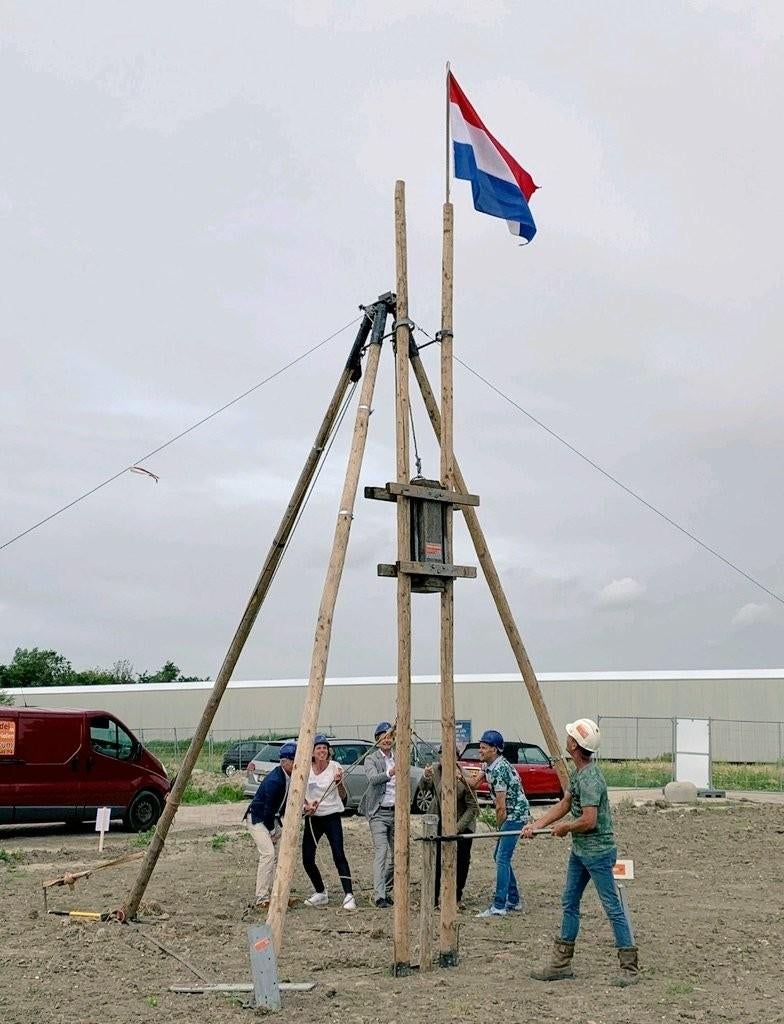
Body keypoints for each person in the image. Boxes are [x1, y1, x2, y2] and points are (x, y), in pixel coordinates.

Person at [523, 718, 639, 986]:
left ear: (574, 745)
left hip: (598, 853)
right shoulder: (578, 774)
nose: (567, 739)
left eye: (570, 737)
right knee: (569, 902)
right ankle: (561, 964)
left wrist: (565, 828)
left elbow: (589, 820)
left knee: (612, 907)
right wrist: (537, 824)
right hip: (581, 851)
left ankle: (629, 967)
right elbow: (565, 803)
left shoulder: (590, 780)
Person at [467, 729, 530, 918]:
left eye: (484, 748)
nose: (480, 750)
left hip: (514, 815)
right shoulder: (489, 766)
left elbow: (501, 806)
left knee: (502, 858)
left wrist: (499, 828)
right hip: (510, 815)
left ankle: (499, 905)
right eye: (481, 747)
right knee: (499, 856)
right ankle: (513, 898)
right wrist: (457, 772)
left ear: (494, 750)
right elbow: (474, 784)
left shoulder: (500, 770)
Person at [301, 735, 356, 910]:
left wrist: (339, 783)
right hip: (313, 817)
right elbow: (299, 793)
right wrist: (306, 806)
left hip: (332, 816)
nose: (322, 751)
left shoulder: (335, 768)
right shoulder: (305, 769)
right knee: (307, 858)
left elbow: (343, 796)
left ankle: (348, 894)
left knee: (338, 854)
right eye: (319, 748)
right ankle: (320, 892)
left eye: (325, 748)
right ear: (312, 752)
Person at [244, 741, 296, 909]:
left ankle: (279, 894)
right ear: (284, 762)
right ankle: (261, 898)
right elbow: (267, 811)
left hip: (272, 818)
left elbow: (288, 802)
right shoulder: (275, 780)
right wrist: (273, 832)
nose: (297, 763)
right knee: (268, 854)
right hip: (258, 819)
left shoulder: (291, 777)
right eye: (294, 759)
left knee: (283, 855)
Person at [421, 759, 478, 907]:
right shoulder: (435, 770)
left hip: (462, 822)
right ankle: (433, 898)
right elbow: (424, 789)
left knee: (461, 860)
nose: (444, 758)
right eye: (441, 754)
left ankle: (456, 897)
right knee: (435, 859)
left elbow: (473, 808)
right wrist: (425, 777)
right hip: (439, 819)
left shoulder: (465, 776)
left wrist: (457, 828)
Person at [358, 721, 396, 908]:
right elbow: (373, 779)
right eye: (383, 736)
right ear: (377, 740)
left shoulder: (399, 757)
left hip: (397, 813)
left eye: (389, 736)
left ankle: (386, 888)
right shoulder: (372, 759)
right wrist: (391, 772)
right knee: (382, 852)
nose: (387, 740)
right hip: (379, 813)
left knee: (399, 855)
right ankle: (379, 896)